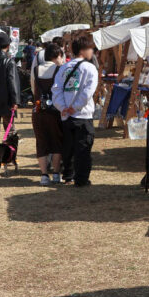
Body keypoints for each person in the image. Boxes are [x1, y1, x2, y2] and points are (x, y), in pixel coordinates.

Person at [52, 35, 98, 187]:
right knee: (83, 148)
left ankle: (69, 175)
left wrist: (63, 107)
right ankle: (81, 179)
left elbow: (56, 90)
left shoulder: (64, 67)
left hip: (66, 115)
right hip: (82, 114)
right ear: (84, 50)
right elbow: (87, 92)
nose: (92, 51)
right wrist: (75, 106)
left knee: (69, 147)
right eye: (91, 48)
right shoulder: (90, 68)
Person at [32, 43, 66, 186]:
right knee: (57, 141)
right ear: (57, 56)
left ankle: (44, 175)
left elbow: (34, 90)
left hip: (38, 110)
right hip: (54, 111)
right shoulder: (59, 69)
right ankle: (56, 174)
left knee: (41, 142)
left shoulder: (35, 69)